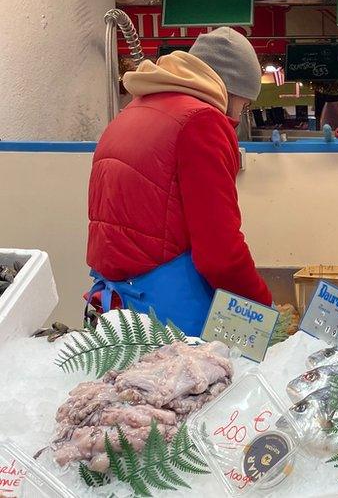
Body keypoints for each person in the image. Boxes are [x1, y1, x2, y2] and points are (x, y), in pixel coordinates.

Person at [86, 27, 272, 335]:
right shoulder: (202, 122)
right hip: (168, 318)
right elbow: (220, 256)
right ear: (231, 91)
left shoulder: (133, 111)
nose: (240, 115)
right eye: (245, 103)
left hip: (114, 305)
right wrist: (264, 310)